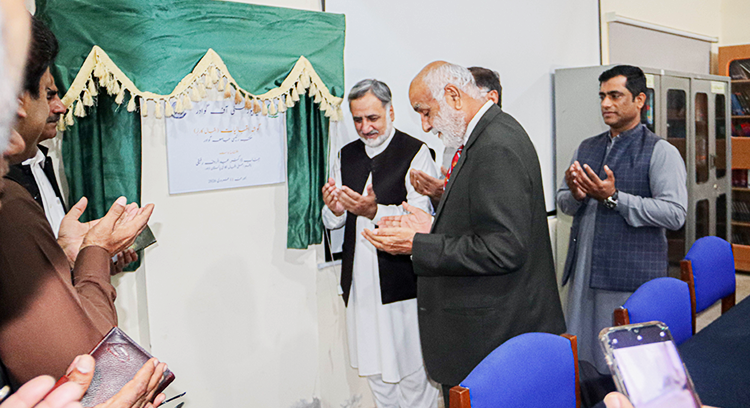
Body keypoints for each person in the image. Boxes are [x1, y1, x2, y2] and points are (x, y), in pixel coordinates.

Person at [363, 61, 565, 406]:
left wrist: (418, 244)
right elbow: (483, 224)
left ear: (453, 96)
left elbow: (504, 248)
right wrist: (432, 227)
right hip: (492, 333)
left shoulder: (495, 146)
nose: (426, 125)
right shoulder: (489, 135)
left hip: (494, 338)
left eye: (425, 112)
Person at [556, 65, 687, 372]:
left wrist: (614, 198)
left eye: (615, 96)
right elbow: (564, 201)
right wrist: (576, 194)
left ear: (640, 100)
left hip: (628, 276)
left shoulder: (660, 151)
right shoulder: (586, 147)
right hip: (584, 272)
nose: (606, 103)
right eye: (602, 96)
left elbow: (675, 214)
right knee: (584, 356)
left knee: (626, 362)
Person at [321, 79, 440, 408]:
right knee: (376, 375)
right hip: (362, 286)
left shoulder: (415, 153)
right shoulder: (346, 156)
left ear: (391, 112)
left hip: (403, 285)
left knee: (414, 376)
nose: (365, 127)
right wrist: (334, 210)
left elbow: (422, 219)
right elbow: (334, 222)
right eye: (357, 119)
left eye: (372, 118)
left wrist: (374, 211)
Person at [5, 16, 67, 237]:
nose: (61, 108)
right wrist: (95, 248)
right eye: (47, 94)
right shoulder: (9, 196)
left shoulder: (38, 159)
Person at [409, 66, 501, 205]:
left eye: (427, 113)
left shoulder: (499, 147)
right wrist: (440, 194)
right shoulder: (453, 146)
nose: (425, 127)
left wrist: (454, 192)